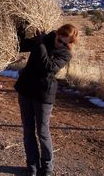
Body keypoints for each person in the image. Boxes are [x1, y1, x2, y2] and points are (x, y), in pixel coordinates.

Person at [14, 24, 78, 176]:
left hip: (43, 95)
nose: (61, 44)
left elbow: (47, 67)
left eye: (65, 43)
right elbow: (21, 45)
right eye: (59, 39)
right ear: (57, 33)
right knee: (28, 131)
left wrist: (40, 42)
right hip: (26, 89)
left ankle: (47, 168)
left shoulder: (65, 54)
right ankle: (32, 166)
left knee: (42, 132)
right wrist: (21, 26)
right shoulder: (46, 38)